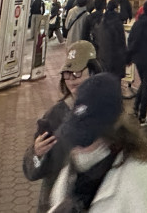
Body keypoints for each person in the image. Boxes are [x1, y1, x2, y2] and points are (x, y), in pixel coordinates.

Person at [46, 72, 147, 212]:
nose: (76, 147)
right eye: (73, 136)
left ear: (109, 133)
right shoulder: (68, 178)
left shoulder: (143, 182)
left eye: (86, 139)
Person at [23, 40, 102, 213]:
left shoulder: (107, 112)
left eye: (78, 72)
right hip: (60, 205)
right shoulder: (54, 117)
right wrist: (37, 154)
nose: (72, 80)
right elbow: (32, 171)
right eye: (67, 74)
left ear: (93, 72)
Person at [93, 0, 127, 80]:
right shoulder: (117, 22)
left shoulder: (102, 21)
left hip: (104, 56)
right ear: (116, 9)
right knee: (115, 81)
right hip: (116, 58)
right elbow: (121, 42)